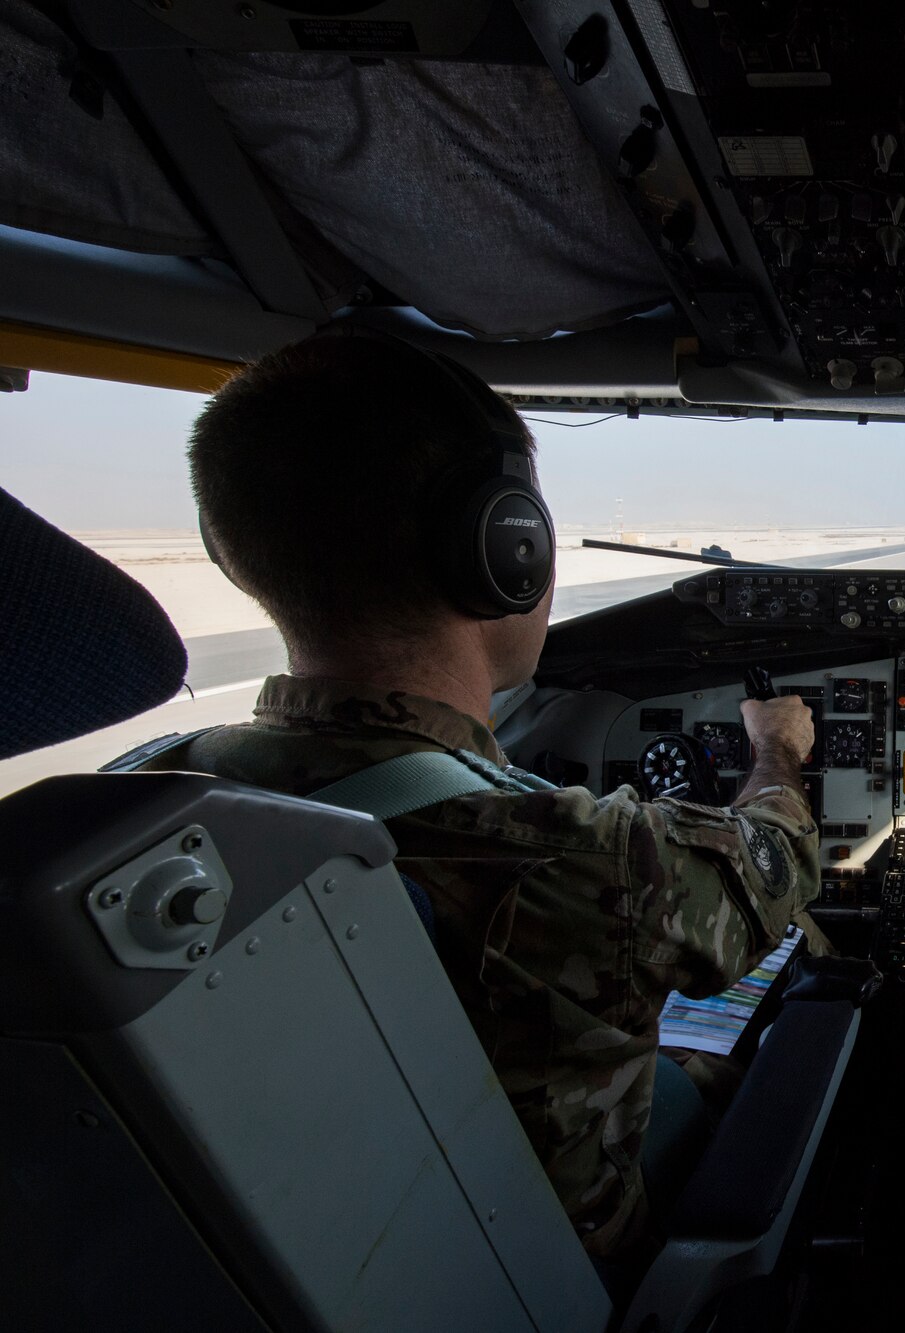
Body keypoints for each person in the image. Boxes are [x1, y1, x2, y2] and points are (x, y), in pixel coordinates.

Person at [139, 331, 820, 1261]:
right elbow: (775, 869)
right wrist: (777, 753)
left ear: (236, 551)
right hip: (552, 1258)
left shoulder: (143, 803)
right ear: (508, 548)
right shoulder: (568, 860)